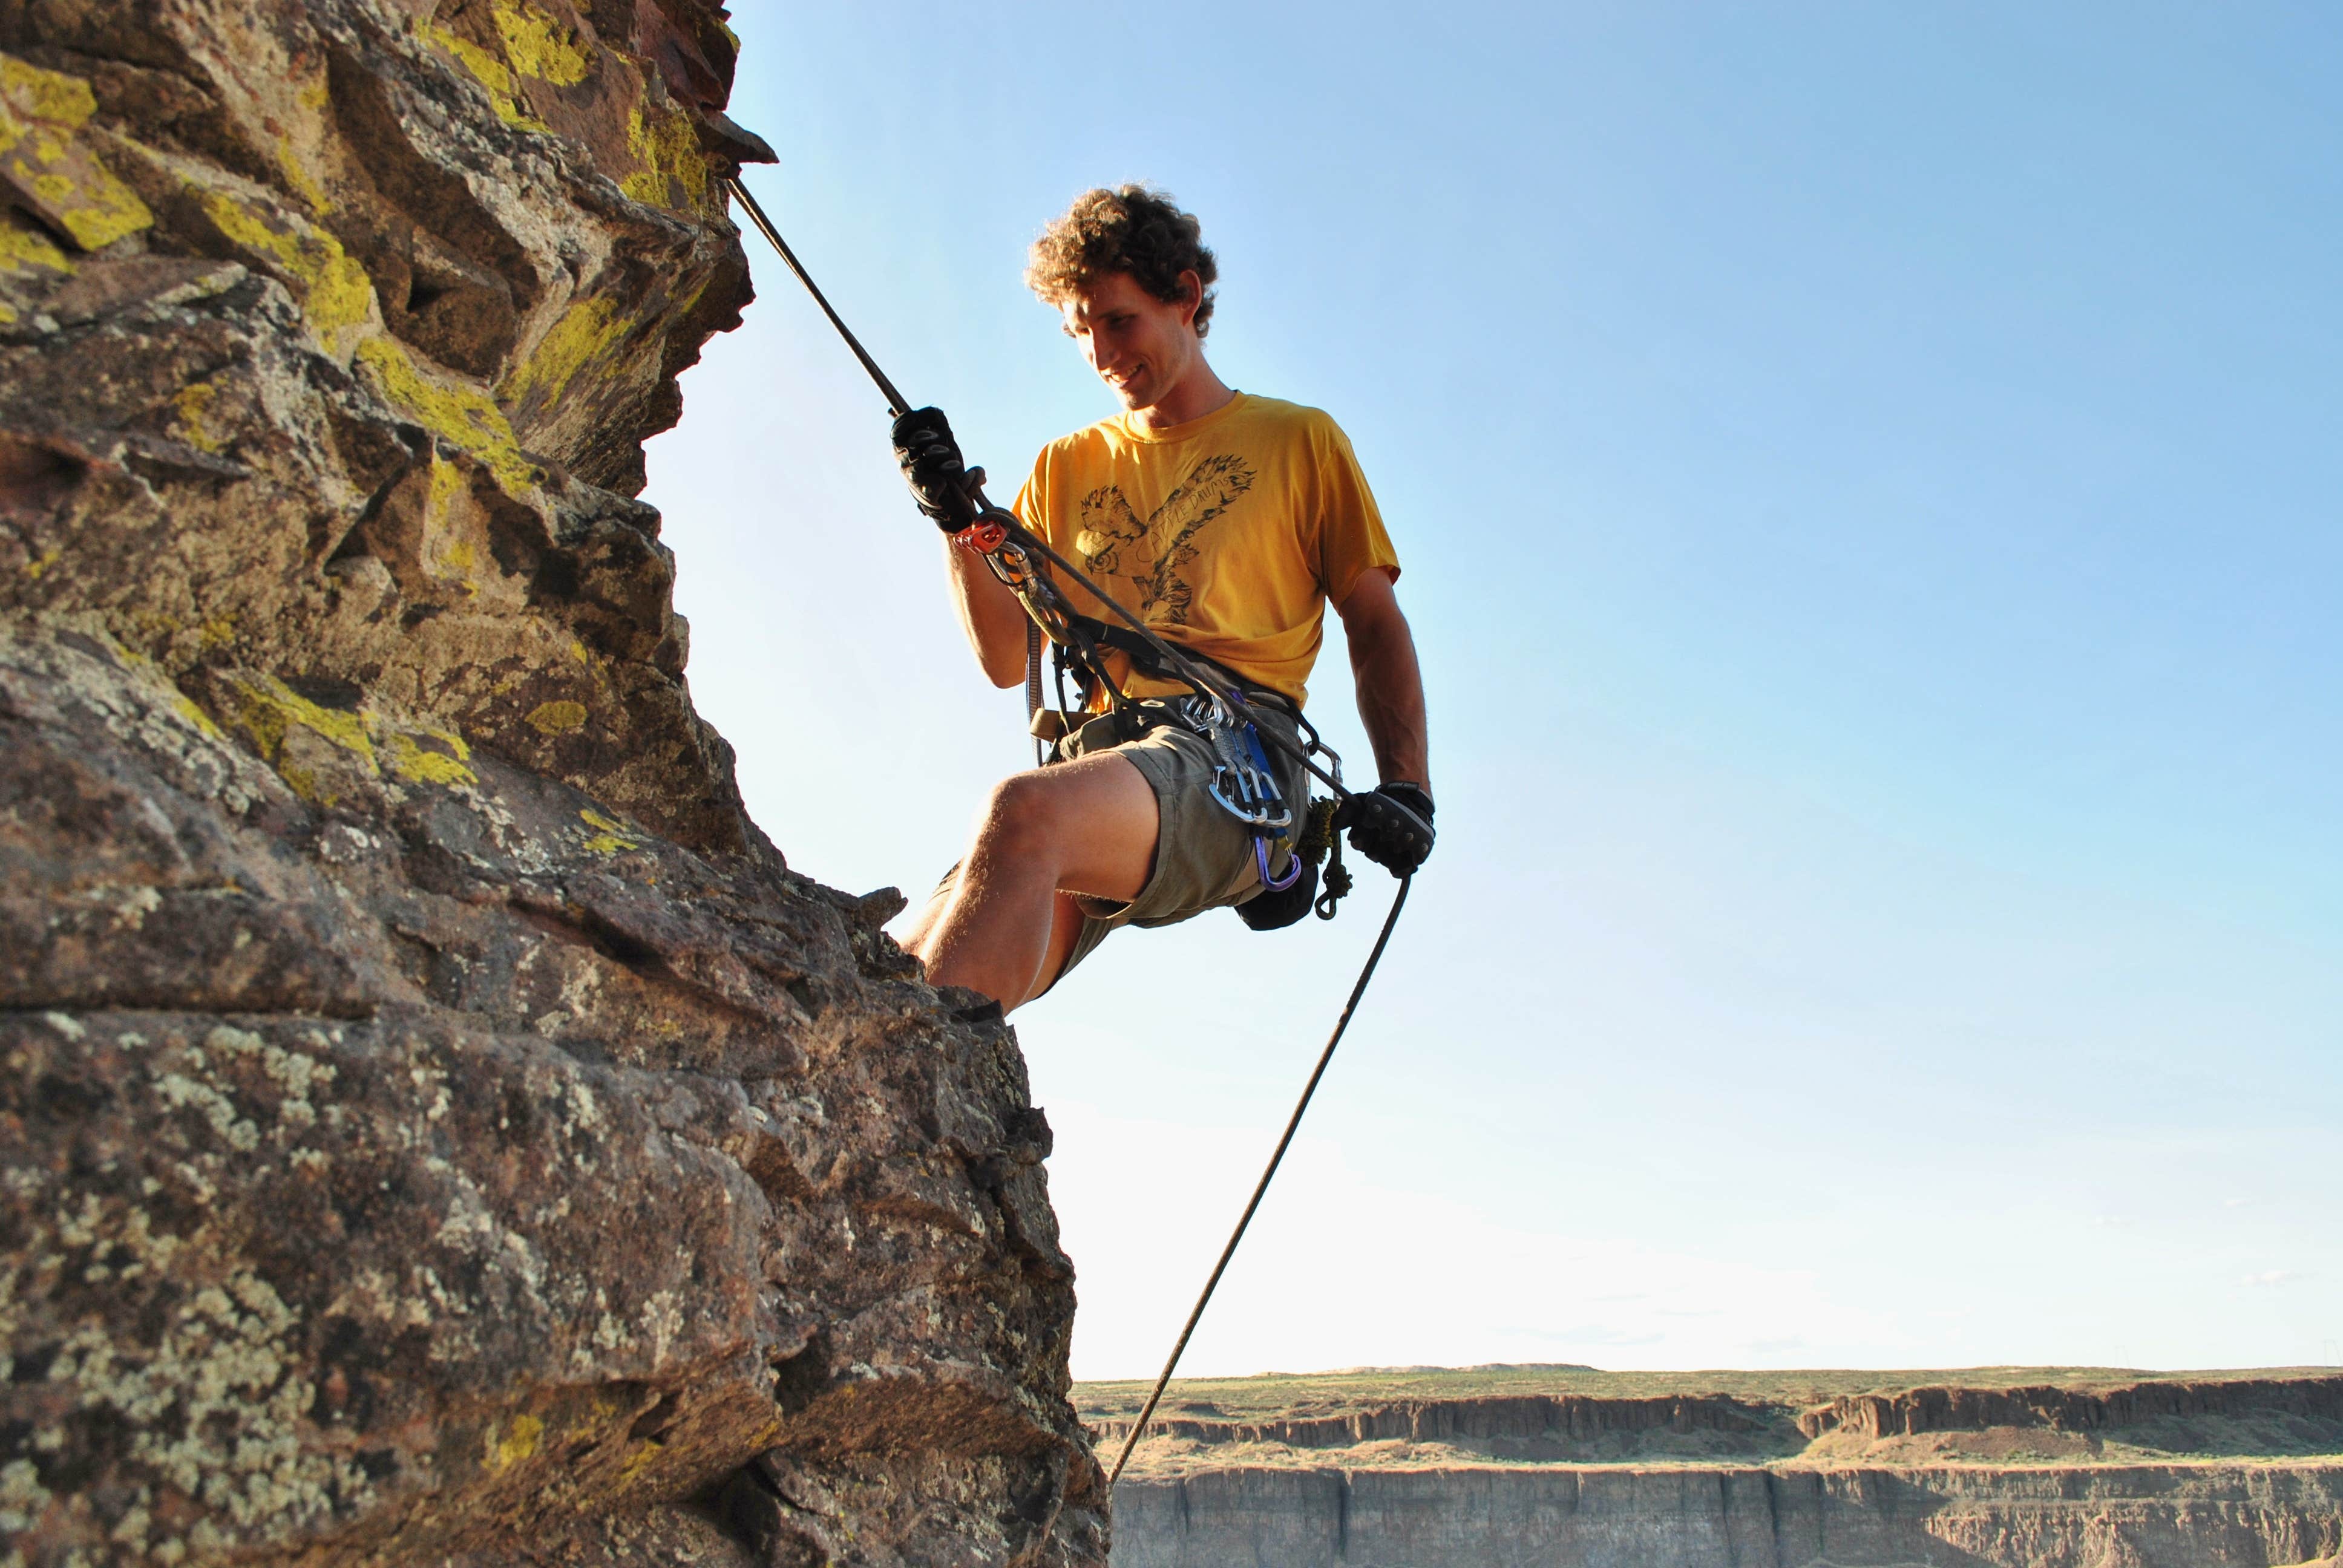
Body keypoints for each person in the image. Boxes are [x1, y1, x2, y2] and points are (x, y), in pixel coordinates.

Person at [891, 186, 1433, 1013]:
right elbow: (1006, 659)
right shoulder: (1064, 468)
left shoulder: (1299, 441)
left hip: (1239, 755)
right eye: (1080, 332)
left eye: (1118, 321)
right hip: (1105, 758)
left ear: (1185, 296)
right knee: (898, 962)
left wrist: (1408, 787)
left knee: (1023, 816)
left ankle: (902, 1082)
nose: (1101, 354)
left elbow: (1374, 620)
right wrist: (957, 526)